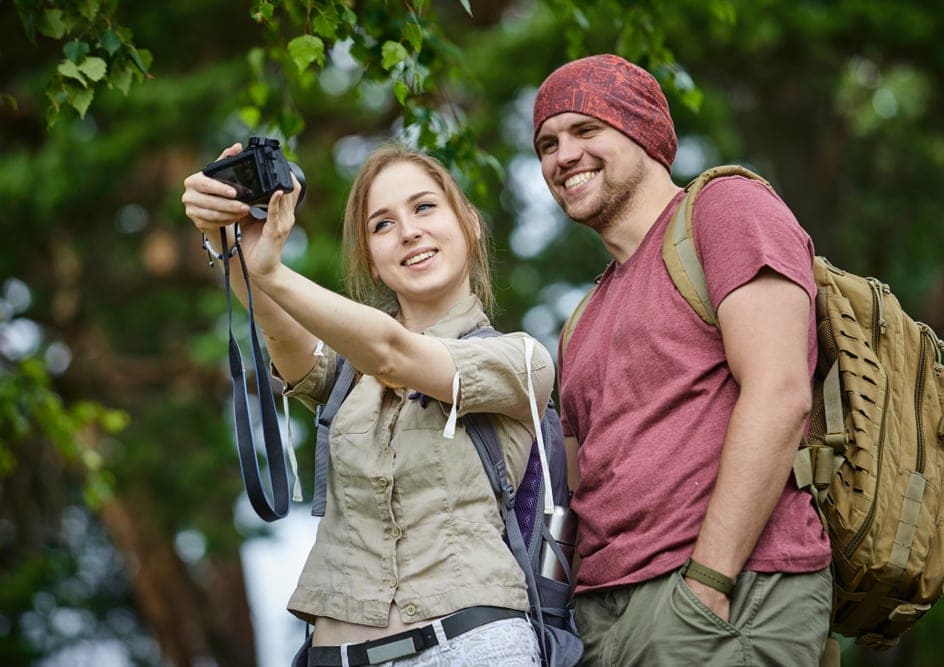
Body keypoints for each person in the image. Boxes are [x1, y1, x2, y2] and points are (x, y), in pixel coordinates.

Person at [182, 143, 553, 666]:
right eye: (382, 225)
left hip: (471, 649)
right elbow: (284, 334)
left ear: (469, 222)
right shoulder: (349, 373)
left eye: (425, 207)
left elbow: (393, 352)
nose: (408, 231)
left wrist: (272, 272)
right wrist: (228, 242)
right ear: (373, 263)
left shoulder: (522, 360)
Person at [532, 54, 833, 665]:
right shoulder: (581, 321)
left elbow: (779, 392)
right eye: (546, 143)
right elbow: (571, 485)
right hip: (602, 620)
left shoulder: (725, 210)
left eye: (586, 130)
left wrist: (708, 585)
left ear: (643, 132)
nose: (563, 156)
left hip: (725, 598)